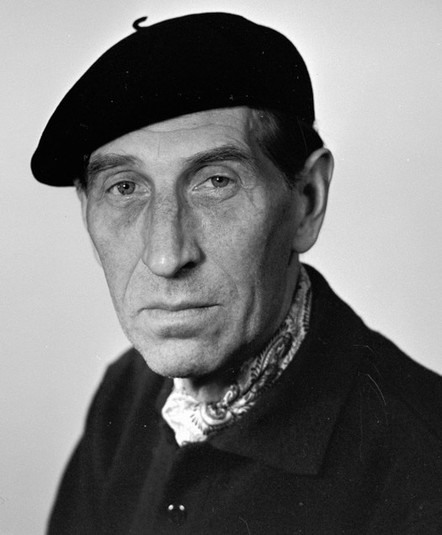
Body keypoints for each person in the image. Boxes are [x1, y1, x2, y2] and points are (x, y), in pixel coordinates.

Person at [31, 12, 442, 535]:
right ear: (86, 208)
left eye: (216, 182)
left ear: (307, 201)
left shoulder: (423, 463)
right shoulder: (126, 392)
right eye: (125, 188)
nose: (166, 256)